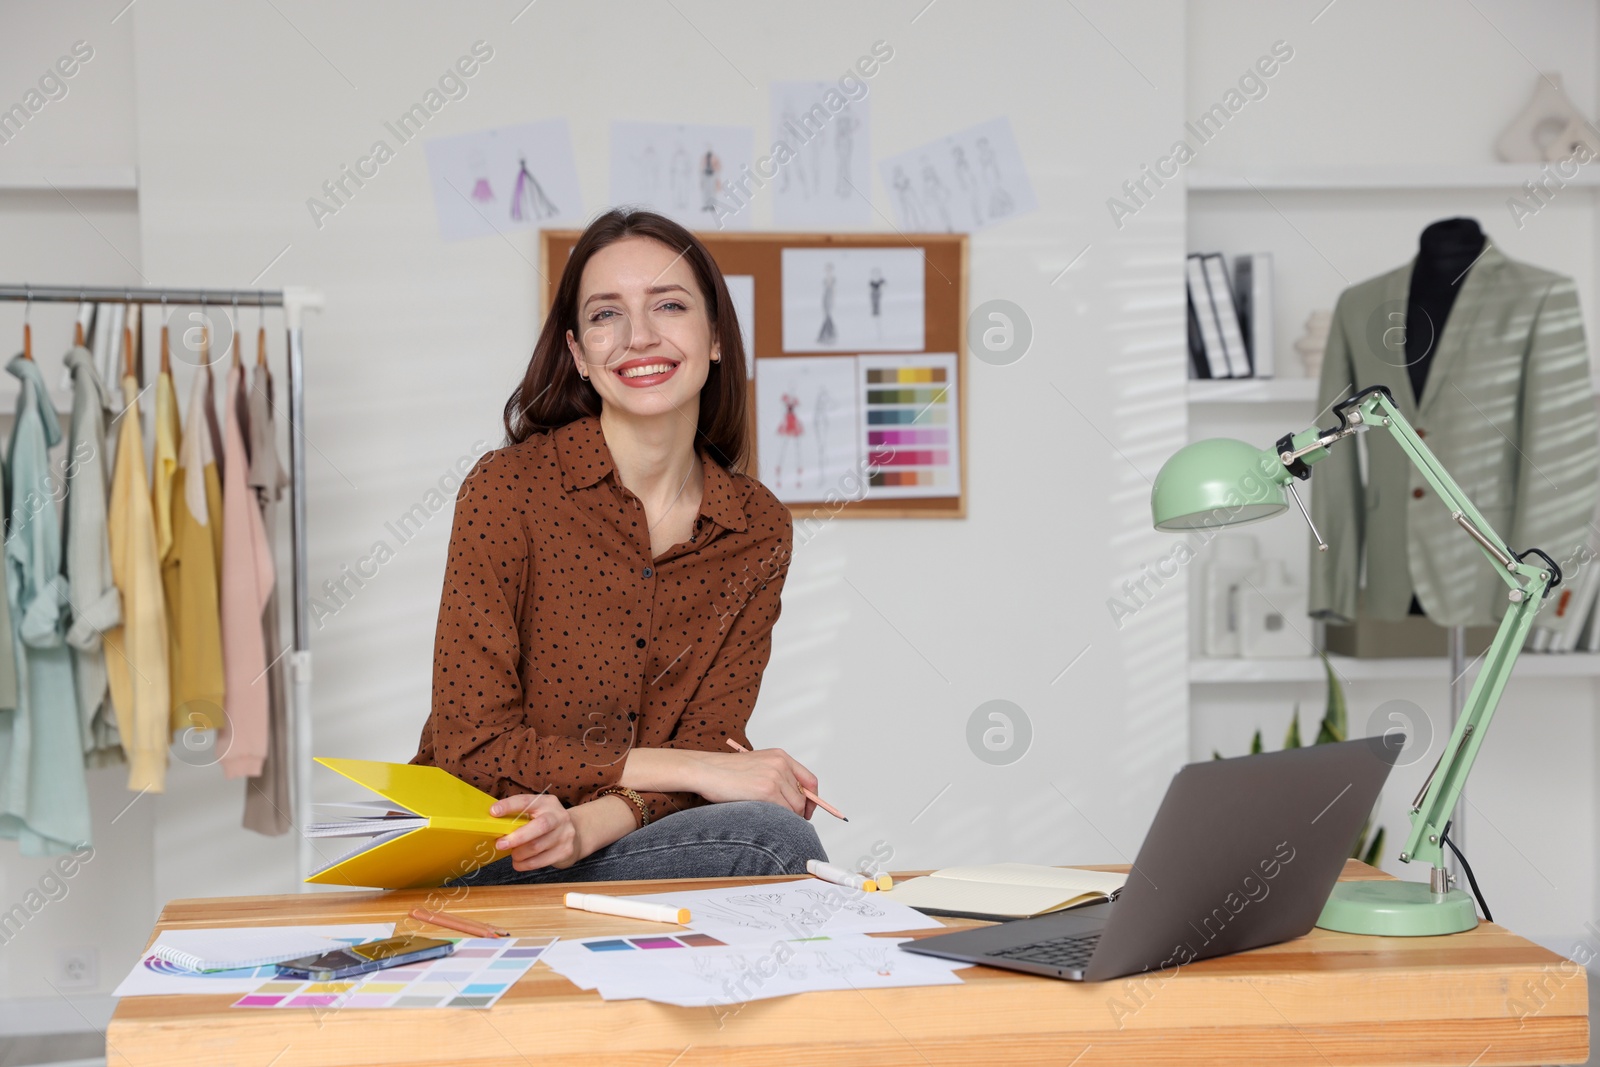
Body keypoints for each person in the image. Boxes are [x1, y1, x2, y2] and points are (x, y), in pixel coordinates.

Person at [411, 207, 828, 885]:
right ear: (579, 353)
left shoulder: (756, 528)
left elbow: (707, 742)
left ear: (716, 336)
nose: (639, 336)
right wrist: (698, 767)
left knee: (774, 835)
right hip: (495, 840)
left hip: (627, 840)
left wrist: (591, 823)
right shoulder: (507, 489)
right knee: (771, 838)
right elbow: (472, 742)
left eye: (668, 304)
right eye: (607, 314)